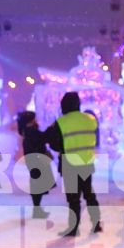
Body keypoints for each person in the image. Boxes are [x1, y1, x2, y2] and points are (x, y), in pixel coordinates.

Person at [45, 90, 102, 237]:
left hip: (70, 163)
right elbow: (95, 136)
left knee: (73, 198)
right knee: (89, 193)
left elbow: (53, 143)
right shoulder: (90, 119)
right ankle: (96, 223)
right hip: (86, 161)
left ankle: (74, 227)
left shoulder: (61, 122)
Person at [16, 109, 55, 220]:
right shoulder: (31, 131)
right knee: (38, 186)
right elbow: (43, 138)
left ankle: (37, 209)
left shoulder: (27, 131)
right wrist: (50, 128)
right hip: (37, 160)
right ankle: (37, 210)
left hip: (33, 160)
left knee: (37, 185)